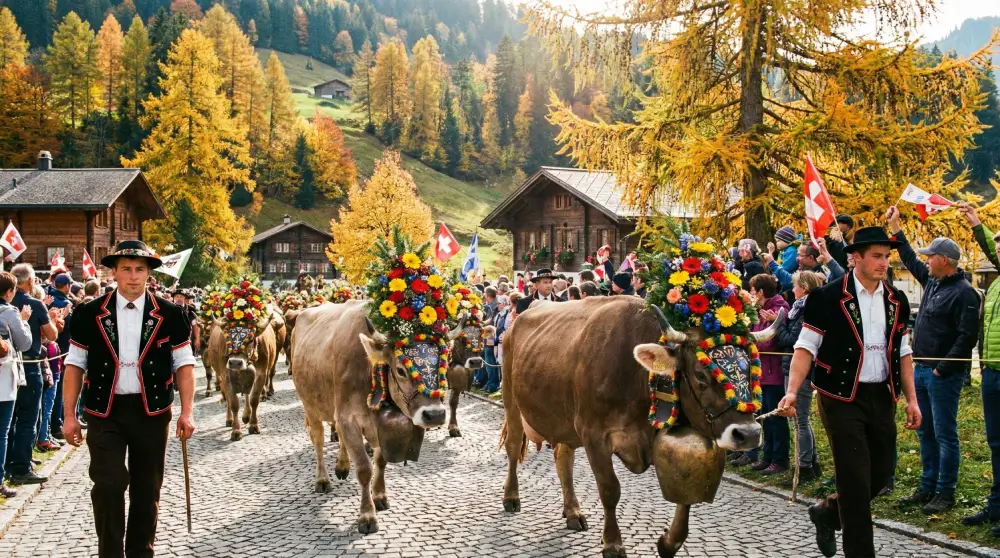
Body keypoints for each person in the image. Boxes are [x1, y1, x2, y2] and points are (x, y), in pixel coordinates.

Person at [778, 226, 920, 558]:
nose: (884, 263)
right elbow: (805, 347)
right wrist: (791, 391)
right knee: (855, 480)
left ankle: (827, 512)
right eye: (877, 256)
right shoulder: (826, 297)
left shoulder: (896, 300)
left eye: (887, 257)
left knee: (881, 472)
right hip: (840, 397)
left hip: (881, 397)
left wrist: (912, 400)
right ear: (855, 258)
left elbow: (903, 353)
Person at [62, 240, 197, 558]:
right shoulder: (89, 313)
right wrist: (69, 415)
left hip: (152, 411)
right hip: (104, 410)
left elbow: (184, 364)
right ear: (114, 272)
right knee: (108, 483)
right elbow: (74, 365)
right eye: (126, 269)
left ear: (149, 273)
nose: (133, 276)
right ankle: (110, 553)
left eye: (140, 269)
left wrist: (187, 412)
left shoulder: (171, 314)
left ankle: (140, 552)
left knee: (146, 488)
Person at [886, 206, 979, 514]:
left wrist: (943, 368)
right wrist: (896, 229)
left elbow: (967, 337)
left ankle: (946, 491)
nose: (926, 260)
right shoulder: (933, 281)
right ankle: (926, 486)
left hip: (942, 375)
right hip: (921, 370)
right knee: (924, 430)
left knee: (944, 433)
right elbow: (910, 259)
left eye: (931, 257)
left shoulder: (964, 292)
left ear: (944, 261)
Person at [956, 202, 1000, 532]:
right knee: (995, 443)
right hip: (991, 372)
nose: (995, 251)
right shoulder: (996, 284)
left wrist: (975, 223)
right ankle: (997, 505)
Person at [6, 264, 57, 485]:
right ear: (29, 282)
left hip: (8, 365)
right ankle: (21, 467)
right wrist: (52, 317)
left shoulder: (7, 302)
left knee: (8, 419)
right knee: (27, 419)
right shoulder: (34, 304)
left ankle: (7, 463)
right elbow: (52, 335)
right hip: (29, 364)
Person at [777, 270, 826, 482]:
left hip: (802, 372)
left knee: (799, 421)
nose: (792, 289)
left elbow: (792, 339)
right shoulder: (798, 309)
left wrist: (778, 326)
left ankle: (804, 467)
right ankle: (812, 463)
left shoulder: (806, 310)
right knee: (801, 420)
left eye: (795, 285)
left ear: (804, 288)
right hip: (792, 367)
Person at [747, 273, 790, 475]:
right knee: (764, 417)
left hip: (774, 373)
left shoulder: (780, 309)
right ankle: (767, 456)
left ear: (761, 292)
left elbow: (768, 342)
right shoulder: (760, 309)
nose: (751, 294)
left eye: (753, 291)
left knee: (776, 418)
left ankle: (780, 460)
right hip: (762, 372)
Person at [0, 272, 33, 497]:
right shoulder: (9, 312)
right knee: (1, 431)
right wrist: (24, 322)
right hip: (3, 379)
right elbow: (24, 343)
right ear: (10, 292)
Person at [48, 273, 74, 442]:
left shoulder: (47, 300)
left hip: (49, 350)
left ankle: (52, 426)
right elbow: (71, 329)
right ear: (66, 286)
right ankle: (56, 426)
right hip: (63, 350)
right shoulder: (66, 304)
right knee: (58, 391)